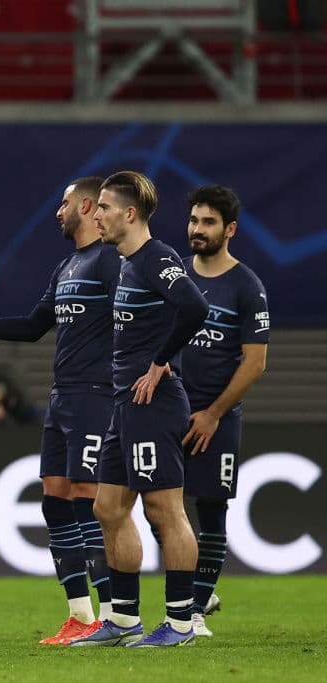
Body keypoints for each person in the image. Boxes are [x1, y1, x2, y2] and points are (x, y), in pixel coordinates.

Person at [0, 177, 119, 645]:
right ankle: (80, 615)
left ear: (87, 206)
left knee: (90, 499)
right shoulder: (67, 267)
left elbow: (143, 318)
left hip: (97, 395)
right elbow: (35, 326)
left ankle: (114, 616)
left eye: (64, 204)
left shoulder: (111, 261)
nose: (58, 212)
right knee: (54, 498)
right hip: (63, 398)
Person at [69, 171, 209, 648]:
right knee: (107, 507)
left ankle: (181, 623)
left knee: (164, 509)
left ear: (130, 214)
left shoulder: (157, 258)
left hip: (155, 403)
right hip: (124, 405)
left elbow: (194, 307)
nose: (97, 215)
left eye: (105, 208)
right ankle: (124, 620)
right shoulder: (126, 263)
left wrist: (159, 362)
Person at [177, 185, 269, 637]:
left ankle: (194, 610)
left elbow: (256, 362)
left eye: (208, 222)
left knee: (212, 508)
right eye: (194, 220)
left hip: (218, 416)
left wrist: (214, 413)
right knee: (153, 503)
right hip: (169, 409)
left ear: (229, 230)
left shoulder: (246, 286)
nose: (198, 229)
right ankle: (199, 586)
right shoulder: (174, 274)